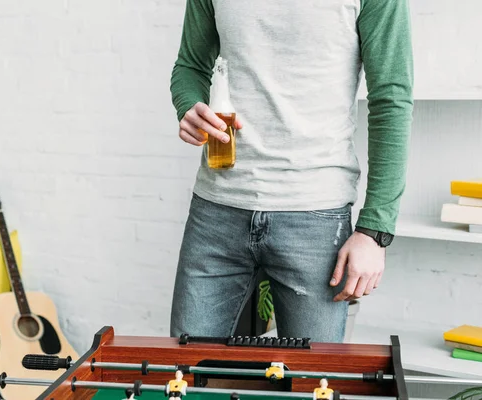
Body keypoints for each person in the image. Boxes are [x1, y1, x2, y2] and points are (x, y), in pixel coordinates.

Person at [168, 0, 413, 343]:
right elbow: (191, 66)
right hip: (215, 211)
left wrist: (375, 230)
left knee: (312, 386)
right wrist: (189, 105)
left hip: (316, 218)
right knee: (182, 376)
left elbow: (391, 97)